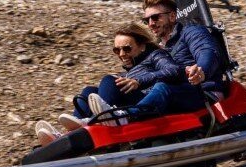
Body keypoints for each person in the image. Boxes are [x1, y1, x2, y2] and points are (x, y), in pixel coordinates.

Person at [36, 24, 183, 145]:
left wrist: (139, 81)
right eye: (116, 50)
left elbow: (174, 70)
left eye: (126, 48)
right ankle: (69, 133)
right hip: (134, 103)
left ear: (142, 46)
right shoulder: (132, 67)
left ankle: (103, 119)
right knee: (88, 91)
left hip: (149, 105)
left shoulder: (155, 55)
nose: (121, 54)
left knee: (109, 81)